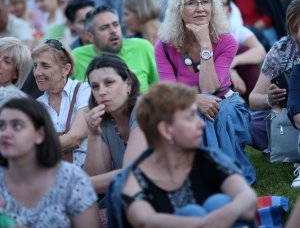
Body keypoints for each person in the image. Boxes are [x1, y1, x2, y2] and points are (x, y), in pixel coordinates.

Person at [107, 82, 257, 227]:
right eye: (190, 117)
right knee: (192, 212)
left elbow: (247, 198)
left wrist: (219, 217)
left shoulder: (207, 158)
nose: (201, 124)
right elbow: (144, 220)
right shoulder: (135, 177)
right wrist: (201, 224)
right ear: (166, 130)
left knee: (218, 203)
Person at [155, 0, 255, 184]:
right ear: (178, 10)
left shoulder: (226, 40)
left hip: (228, 106)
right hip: (185, 106)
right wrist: (195, 100)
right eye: (191, 2)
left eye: (205, 1)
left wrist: (205, 45)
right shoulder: (164, 46)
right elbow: (167, 90)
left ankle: (219, 177)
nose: (200, 8)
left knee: (210, 112)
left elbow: (210, 87)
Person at [0, 97, 100, 227]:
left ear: (40, 135)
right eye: (1, 126)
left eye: (17, 126)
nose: (5, 134)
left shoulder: (71, 179)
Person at [84, 53, 147, 194]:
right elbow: (96, 179)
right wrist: (93, 136)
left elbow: (131, 173)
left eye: (109, 83)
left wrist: (76, 184)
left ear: (128, 85)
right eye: (95, 86)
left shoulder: (144, 108)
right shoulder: (104, 121)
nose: (101, 92)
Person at [249, 0, 300, 153]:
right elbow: (253, 100)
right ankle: (285, 147)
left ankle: (285, 148)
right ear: (292, 29)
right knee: (254, 123)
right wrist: (270, 99)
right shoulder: (281, 50)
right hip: (288, 113)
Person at [72, 5, 158, 92]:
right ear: (91, 36)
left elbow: (162, 88)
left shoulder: (142, 47)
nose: (113, 31)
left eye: (116, 24)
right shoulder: (76, 57)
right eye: (104, 28)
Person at [32, 39, 90, 167]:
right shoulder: (37, 105)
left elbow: (76, 137)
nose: (37, 72)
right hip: (55, 176)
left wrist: (35, 147)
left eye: (45, 66)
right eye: (35, 66)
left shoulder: (84, 90)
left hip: (88, 172)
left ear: (66, 69)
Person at [216, 0, 266, 103]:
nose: (218, 8)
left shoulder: (236, 29)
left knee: (243, 50)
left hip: (237, 77)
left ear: (229, 10)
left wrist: (233, 63)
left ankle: (257, 103)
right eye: (214, 3)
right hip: (212, 81)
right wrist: (230, 71)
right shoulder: (202, 31)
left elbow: (260, 51)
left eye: (222, 4)